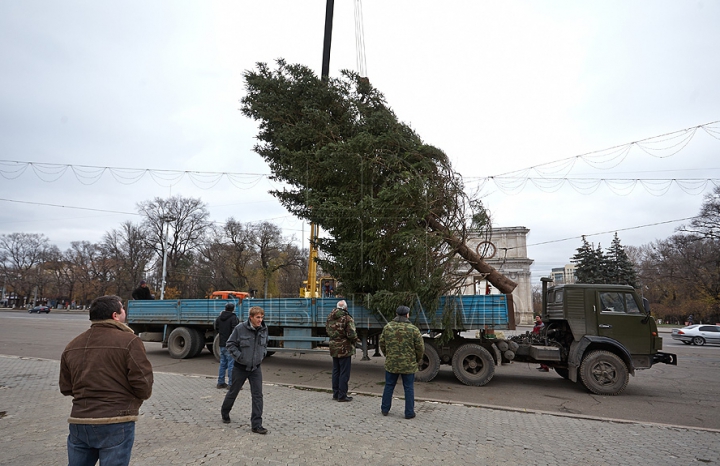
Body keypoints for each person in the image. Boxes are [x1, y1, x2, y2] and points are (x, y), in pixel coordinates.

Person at [59, 295, 154, 466]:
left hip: (80, 421)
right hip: (116, 421)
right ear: (115, 316)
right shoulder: (130, 341)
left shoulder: (72, 345)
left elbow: (66, 387)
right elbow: (143, 384)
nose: (125, 312)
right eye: (122, 309)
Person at [221, 305, 269, 434]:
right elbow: (230, 344)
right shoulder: (240, 329)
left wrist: (262, 355)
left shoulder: (264, 329)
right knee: (233, 391)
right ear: (251, 317)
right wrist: (239, 357)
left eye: (262, 317)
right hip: (240, 368)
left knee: (258, 395)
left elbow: (265, 345)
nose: (260, 320)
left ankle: (256, 424)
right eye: (257, 317)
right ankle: (225, 411)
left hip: (255, 369)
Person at [379, 305, 424, 419]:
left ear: (396, 314)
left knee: (389, 385)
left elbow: (382, 344)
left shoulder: (388, 327)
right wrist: (416, 360)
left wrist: (388, 355)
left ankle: (385, 409)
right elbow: (420, 348)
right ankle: (409, 413)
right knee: (408, 387)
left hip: (392, 363)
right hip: (408, 364)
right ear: (407, 315)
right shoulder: (413, 329)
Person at [325, 299, 360, 402]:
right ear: (345, 307)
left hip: (333, 347)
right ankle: (342, 395)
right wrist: (355, 340)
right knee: (344, 372)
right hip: (344, 348)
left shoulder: (330, 317)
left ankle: (335, 394)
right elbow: (351, 334)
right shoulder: (347, 318)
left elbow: (327, 330)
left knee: (336, 371)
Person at [214, 302, 240, 389]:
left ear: (225, 308)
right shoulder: (233, 318)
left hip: (222, 343)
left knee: (222, 363)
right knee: (231, 365)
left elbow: (216, 327)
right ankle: (231, 384)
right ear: (233, 309)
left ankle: (220, 382)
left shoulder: (219, 318)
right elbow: (235, 331)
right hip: (230, 344)